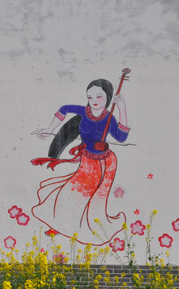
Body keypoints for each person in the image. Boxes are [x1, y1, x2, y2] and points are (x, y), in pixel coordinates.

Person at [31, 79, 129, 245]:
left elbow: (121, 137)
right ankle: (60, 225)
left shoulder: (109, 118)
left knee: (90, 198)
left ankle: (79, 227)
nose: (94, 101)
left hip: (104, 163)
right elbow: (64, 109)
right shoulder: (85, 112)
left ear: (108, 97)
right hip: (87, 160)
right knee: (70, 192)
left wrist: (122, 110)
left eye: (99, 97)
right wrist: (50, 130)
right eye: (90, 97)